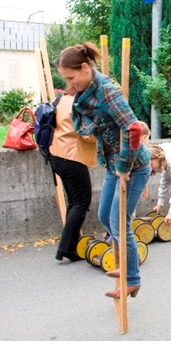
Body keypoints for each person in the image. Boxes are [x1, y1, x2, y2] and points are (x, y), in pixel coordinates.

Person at [57, 42, 151, 299]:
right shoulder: (87, 92)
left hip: (132, 166)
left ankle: (132, 279)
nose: (69, 83)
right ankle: (126, 261)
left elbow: (133, 129)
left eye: (71, 77)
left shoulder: (107, 91)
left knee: (120, 224)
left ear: (85, 68)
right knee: (104, 217)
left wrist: (124, 168)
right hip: (113, 164)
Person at [48, 87, 97, 262]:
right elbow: (86, 135)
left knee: (74, 202)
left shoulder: (62, 99)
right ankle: (66, 248)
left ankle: (71, 246)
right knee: (82, 202)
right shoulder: (78, 104)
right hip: (71, 156)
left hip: (56, 154)